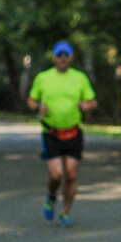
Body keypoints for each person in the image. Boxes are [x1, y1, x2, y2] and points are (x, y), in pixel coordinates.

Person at [27, 41, 97, 226]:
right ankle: (51, 196)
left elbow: (93, 101)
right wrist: (38, 108)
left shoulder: (80, 78)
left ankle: (65, 212)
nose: (63, 58)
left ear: (72, 57)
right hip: (51, 133)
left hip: (74, 132)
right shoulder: (43, 78)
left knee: (71, 175)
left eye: (66, 55)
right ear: (54, 58)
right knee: (57, 175)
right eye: (60, 55)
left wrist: (87, 105)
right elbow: (31, 100)